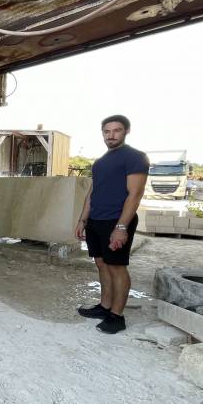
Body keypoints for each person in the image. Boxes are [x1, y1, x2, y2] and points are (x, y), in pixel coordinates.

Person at [75, 115, 149, 334]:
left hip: (116, 221)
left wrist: (122, 227)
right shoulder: (100, 162)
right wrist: (82, 219)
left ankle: (116, 316)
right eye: (107, 131)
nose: (111, 135)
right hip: (96, 220)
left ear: (126, 131)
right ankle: (104, 307)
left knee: (117, 267)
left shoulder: (135, 157)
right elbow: (91, 193)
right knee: (101, 264)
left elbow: (135, 195)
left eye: (116, 130)